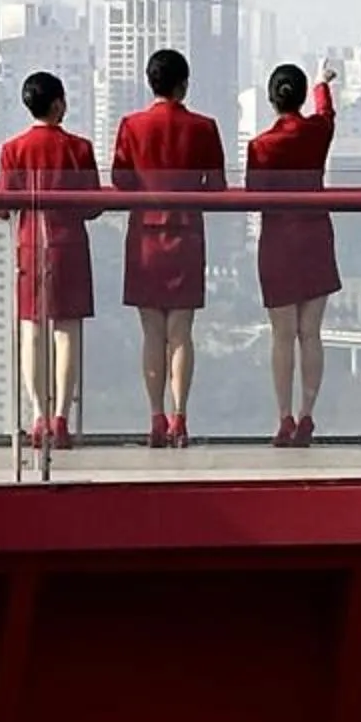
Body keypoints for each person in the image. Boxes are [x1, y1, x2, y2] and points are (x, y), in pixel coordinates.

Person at [111, 47, 227, 446]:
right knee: (181, 333)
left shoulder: (130, 126)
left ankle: (156, 417)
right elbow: (217, 187)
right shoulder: (204, 127)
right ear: (184, 83)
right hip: (187, 234)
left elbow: (121, 181)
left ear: (150, 81)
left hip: (144, 235)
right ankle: (180, 417)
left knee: (151, 334)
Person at [0, 70, 99, 449]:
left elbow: (3, 209)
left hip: (29, 246)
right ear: (57, 104)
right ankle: (62, 419)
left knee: (32, 330)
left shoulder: (13, 149)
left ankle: (37, 415)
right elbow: (93, 206)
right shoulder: (80, 149)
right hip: (69, 244)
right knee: (67, 330)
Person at [245, 56, 339, 445]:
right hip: (315, 236)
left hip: (278, 242)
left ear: (271, 101)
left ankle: (283, 417)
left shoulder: (260, 145)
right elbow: (327, 112)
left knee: (282, 335)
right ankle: (307, 415)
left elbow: (253, 194)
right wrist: (322, 81)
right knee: (311, 334)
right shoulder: (317, 133)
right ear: (299, 97)